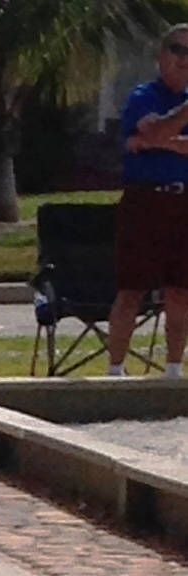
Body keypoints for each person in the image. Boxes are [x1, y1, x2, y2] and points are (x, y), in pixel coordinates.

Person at [108, 24, 188, 379]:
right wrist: (169, 133)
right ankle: (115, 371)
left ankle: (173, 371)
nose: (184, 59)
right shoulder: (143, 95)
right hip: (144, 201)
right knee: (131, 290)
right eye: (177, 49)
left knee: (180, 292)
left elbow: (155, 137)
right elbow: (151, 130)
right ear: (161, 55)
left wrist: (160, 139)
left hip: (183, 201)